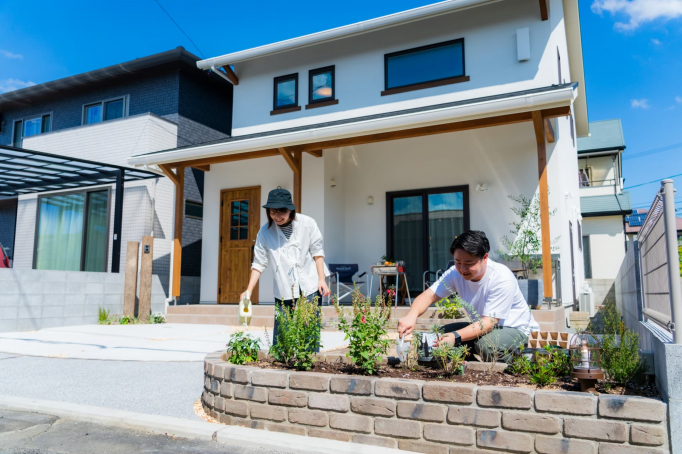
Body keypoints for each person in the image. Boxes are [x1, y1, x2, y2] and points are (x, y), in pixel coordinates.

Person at [397, 230, 539, 362]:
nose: (462, 269)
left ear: (484, 258)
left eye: (469, 263)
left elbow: (489, 323)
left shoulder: (501, 277)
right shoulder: (455, 273)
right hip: (484, 328)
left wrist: (455, 336)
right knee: (437, 337)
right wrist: (412, 315)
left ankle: (523, 364)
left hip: (517, 330)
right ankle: (469, 369)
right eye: (458, 262)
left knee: (487, 346)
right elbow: (428, 296)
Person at [240, 188, 330, 349]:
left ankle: (309, 362)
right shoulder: (265, 232)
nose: (277, 216)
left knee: (309, 329)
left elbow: (318, 253)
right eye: (273, 212)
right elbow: (259, 263)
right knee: (282, 330)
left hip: (310, 284)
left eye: (282, 211)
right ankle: (281, 364)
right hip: (284, 287)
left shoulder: (307, 223)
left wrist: (322, 279)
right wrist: (249, 290)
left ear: (291, 210)